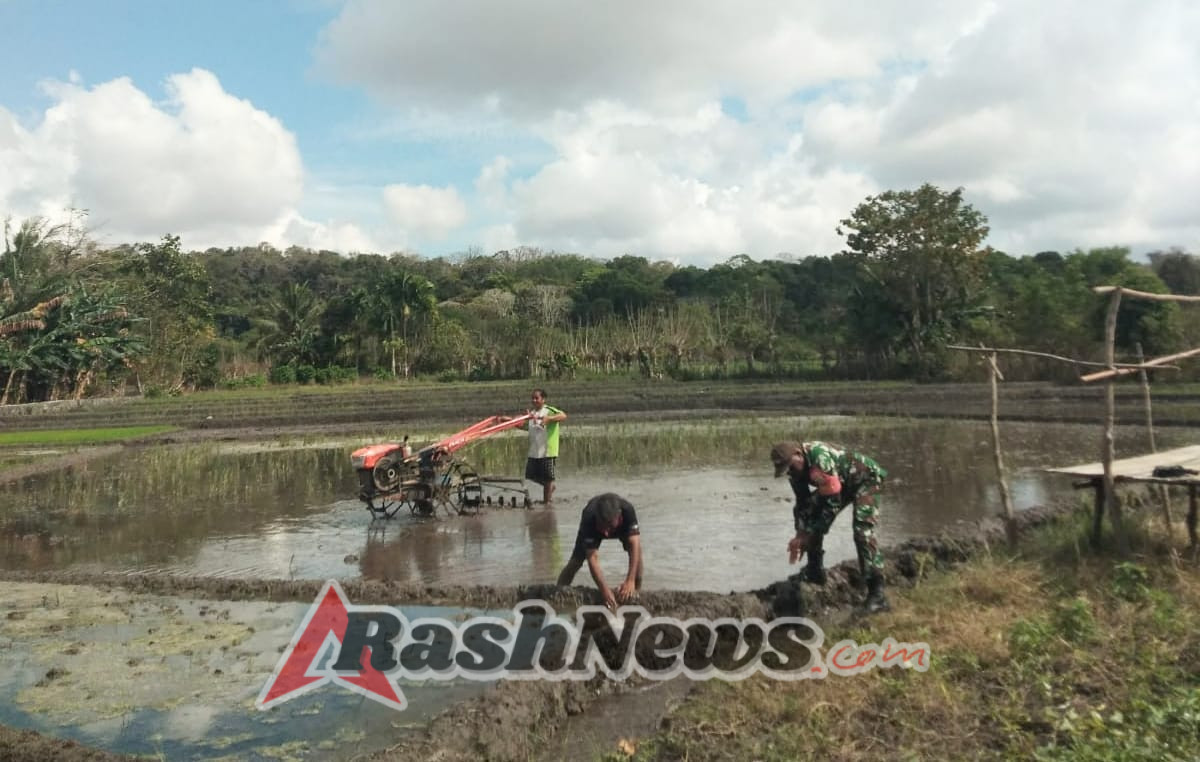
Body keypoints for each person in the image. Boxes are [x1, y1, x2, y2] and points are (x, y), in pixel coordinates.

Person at [771, 440, 890, 613]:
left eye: (790, 466)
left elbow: (831, 505)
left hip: (866, 479)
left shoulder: (820, 459)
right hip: (839, 484)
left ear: (798, 454)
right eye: (785, 469)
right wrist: (800, 535)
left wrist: (810, 533)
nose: (790, 471)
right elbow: (803, 505)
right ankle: (814, 570)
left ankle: (877, 595)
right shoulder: (795, 471)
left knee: (862, 532)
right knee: (810, 515)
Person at [556, 493, 643, 611]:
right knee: (575, 562)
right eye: (603, 527)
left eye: (610, 528)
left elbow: (635, 544)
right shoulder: (589, 517)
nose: (606, 534)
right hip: (594, 529)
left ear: (619, 517)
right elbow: (592, 559)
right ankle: (557, 593)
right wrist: (605, 590)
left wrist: (630, 580)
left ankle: (635, 594)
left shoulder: (627, 511)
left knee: (638, 560)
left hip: (620, 529)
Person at [522, 388, 566, 504]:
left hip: (548, 450)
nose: (534, 400)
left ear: (543, 399)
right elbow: (525, 426)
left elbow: (563, 416)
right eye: (533, 398)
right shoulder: (532, 414)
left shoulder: (548, 411)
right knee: (530, 475)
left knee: (547, 477)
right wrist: (509, 422)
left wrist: (549, 419)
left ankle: (546, 503)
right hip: (535, 450)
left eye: (537, 398)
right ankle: (550, 487)